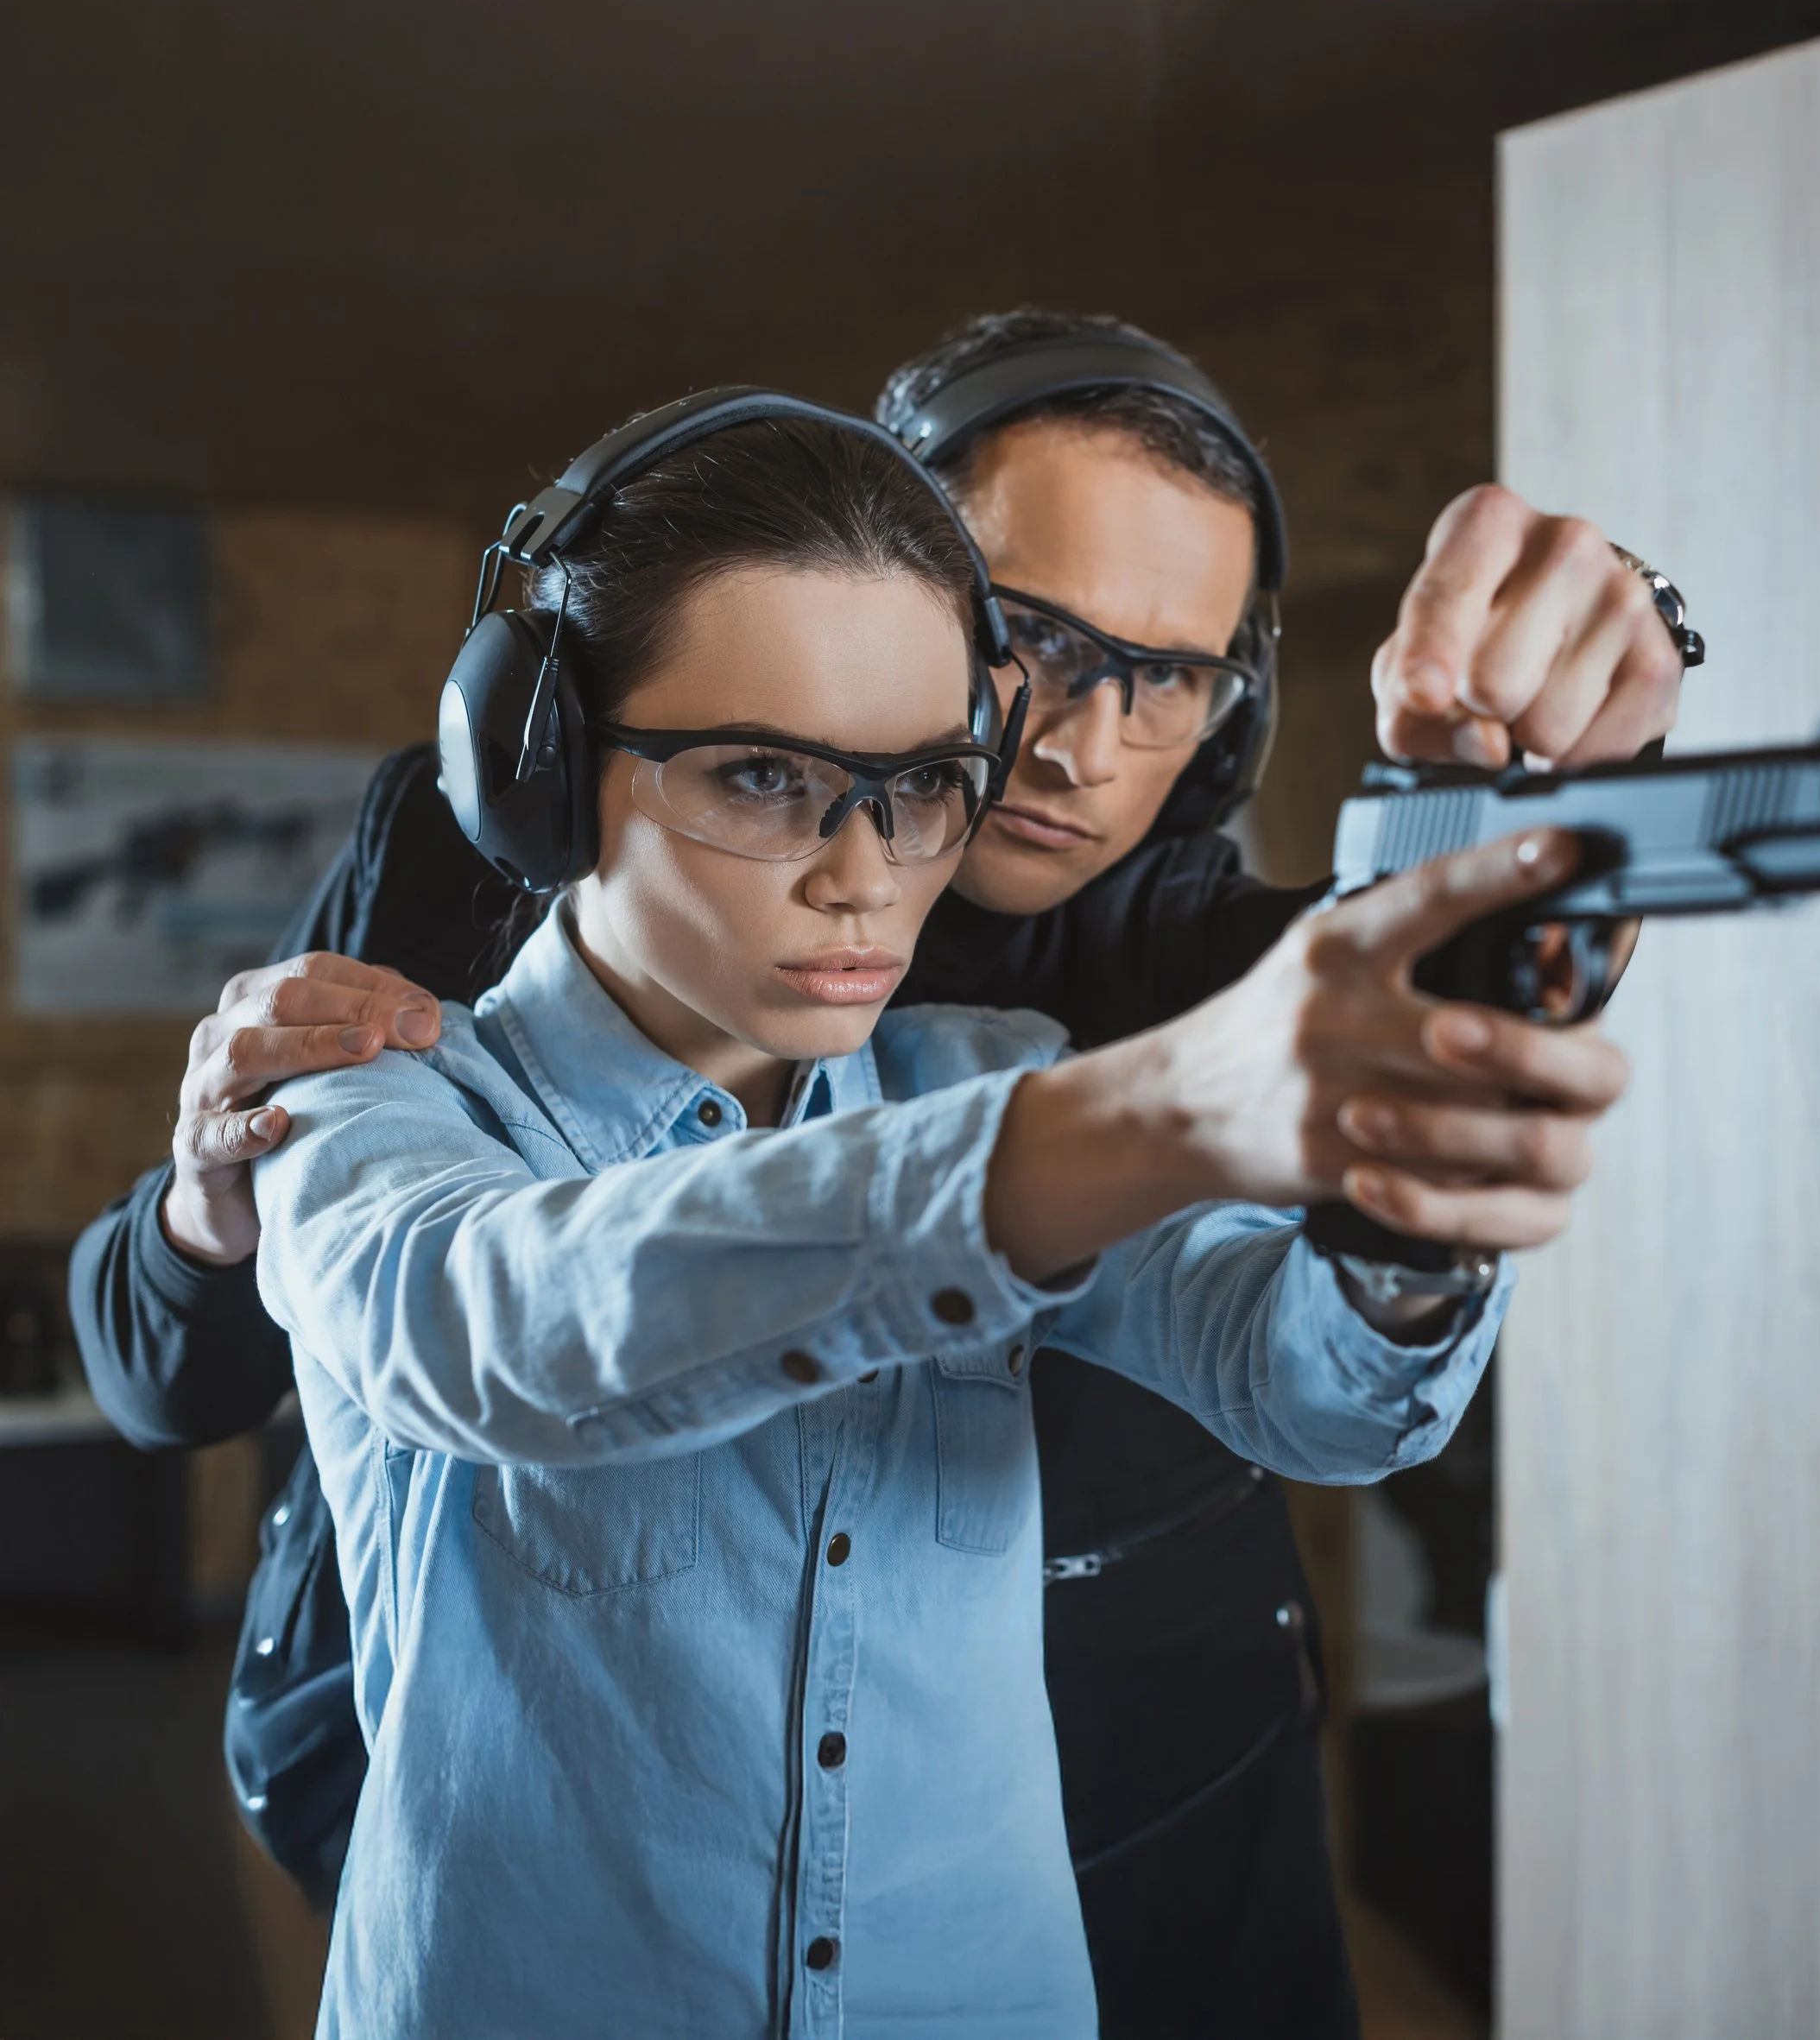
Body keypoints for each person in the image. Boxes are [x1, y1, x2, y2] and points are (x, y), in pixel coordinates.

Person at [69, 313, 1684, 2032]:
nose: (870, 870)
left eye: (923, 784)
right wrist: (1165, 1113)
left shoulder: (1056, 1018)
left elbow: (1317, 1353)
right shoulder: (399, 1026)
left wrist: (1414, 1179)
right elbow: (484, 1318)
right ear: (545, 773)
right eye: (766, 775)